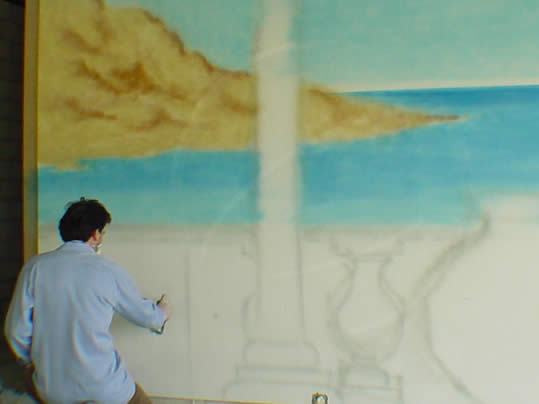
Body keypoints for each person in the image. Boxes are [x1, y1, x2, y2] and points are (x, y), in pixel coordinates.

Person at [4, 197, 170, 404]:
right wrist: (161, 313)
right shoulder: (107, 269)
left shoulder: (35, 268)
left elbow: (15, 331)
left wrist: (33, 362)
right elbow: (145, 316)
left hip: (53, 392)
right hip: (105, 390)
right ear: (95, 234)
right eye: (102, 232)